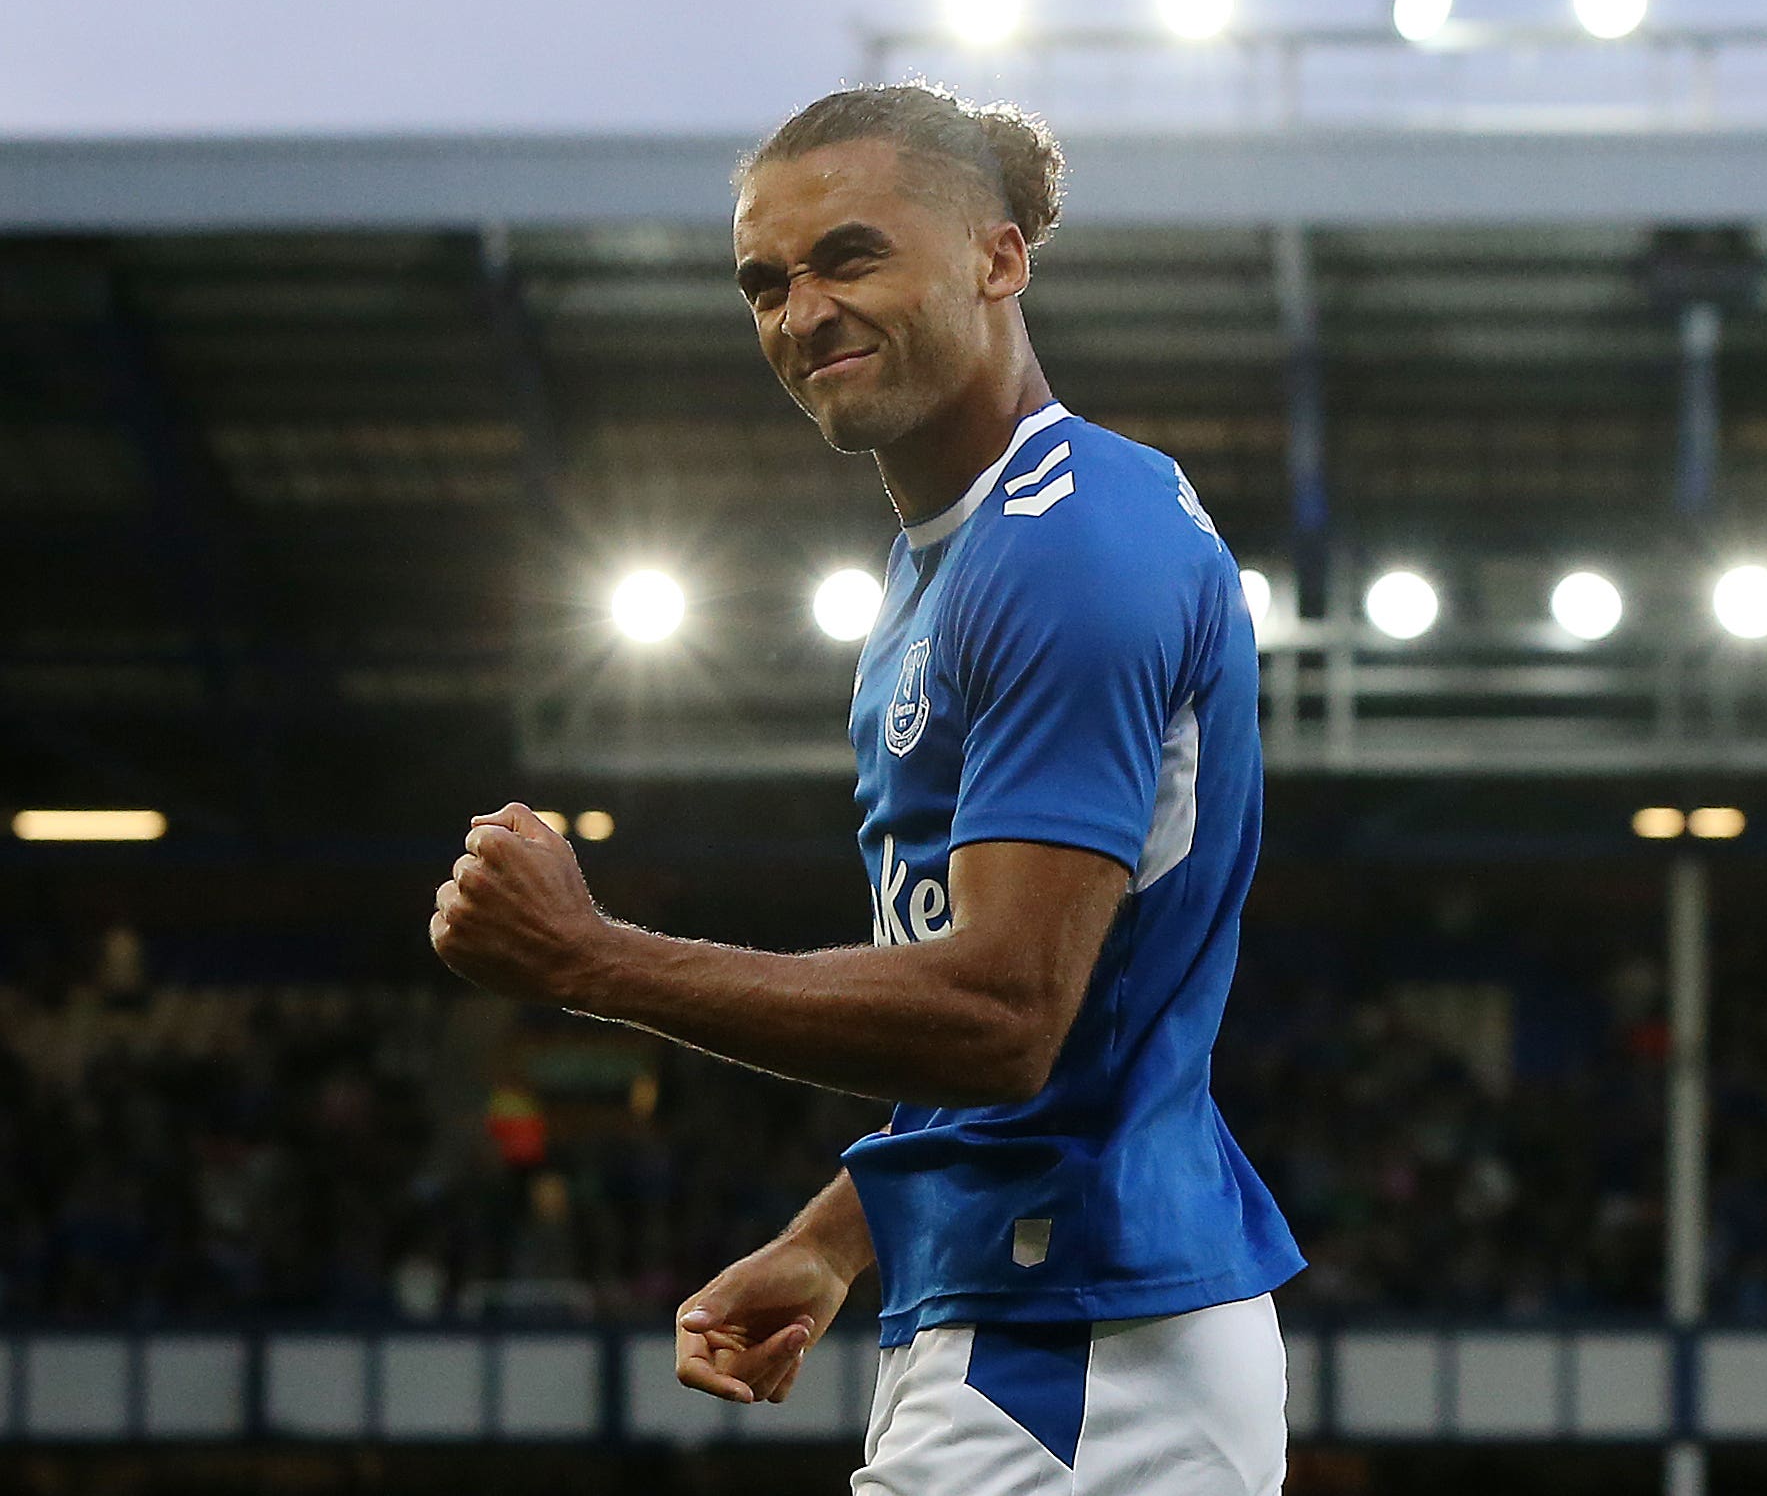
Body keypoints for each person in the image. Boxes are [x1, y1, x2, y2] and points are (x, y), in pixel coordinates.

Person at [428, 81, 1304, 1494]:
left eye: (850, 258)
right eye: (764, 283)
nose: (798, 313)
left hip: (1079, 1335)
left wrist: (590, 959)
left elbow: (1007, 1014)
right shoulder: (946, 560)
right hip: (1022, 1309)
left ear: (996, 258)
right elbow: (1013, 1034)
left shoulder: (1069, 552)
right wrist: (841, 1235)